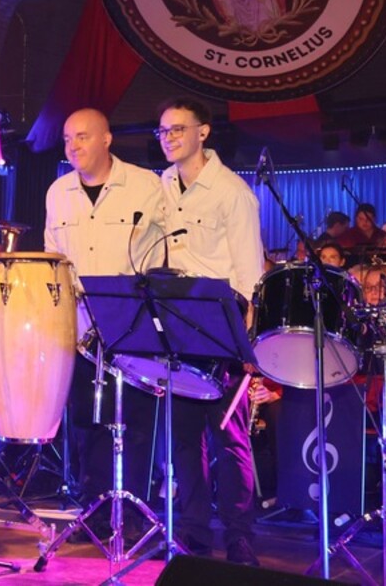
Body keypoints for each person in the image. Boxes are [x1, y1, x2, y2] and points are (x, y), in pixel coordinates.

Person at [44, 108, 165, 540]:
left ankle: (132, 515)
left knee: (134, 424)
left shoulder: (145, 185)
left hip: (132, 323)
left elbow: (161, 252)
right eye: (66, 139)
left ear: (107, 139)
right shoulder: (58, 191)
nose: (72, 146)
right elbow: (54, 258)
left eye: (82, 137)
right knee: (87, 421)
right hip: (79, 328)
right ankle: (93, 512)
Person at [156, 97, 265, 566]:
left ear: (203, 132)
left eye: (178, 129)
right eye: (163, 131)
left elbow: (250, 274)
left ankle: (239, 535)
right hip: (176, 322)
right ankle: (194, 532)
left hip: (222, 322)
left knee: (229, 436)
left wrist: (244, 344)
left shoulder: (232, 192)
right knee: (185, 437)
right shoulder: (162, 184)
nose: (169, 138)